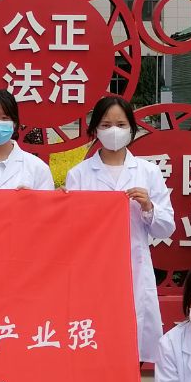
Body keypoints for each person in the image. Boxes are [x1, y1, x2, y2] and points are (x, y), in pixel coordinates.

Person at [63, 96, 174, 363]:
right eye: (106, 124)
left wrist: (148, 206)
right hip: (93, 271)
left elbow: (166, 228)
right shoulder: (79, 174)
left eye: (121, 124)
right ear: (94, 129)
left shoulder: (148, 172)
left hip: (134, 270)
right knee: (95, 346)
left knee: (131, 348)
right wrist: (65, 206)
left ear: (132, 129)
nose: (114, 131)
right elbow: (70, 232)